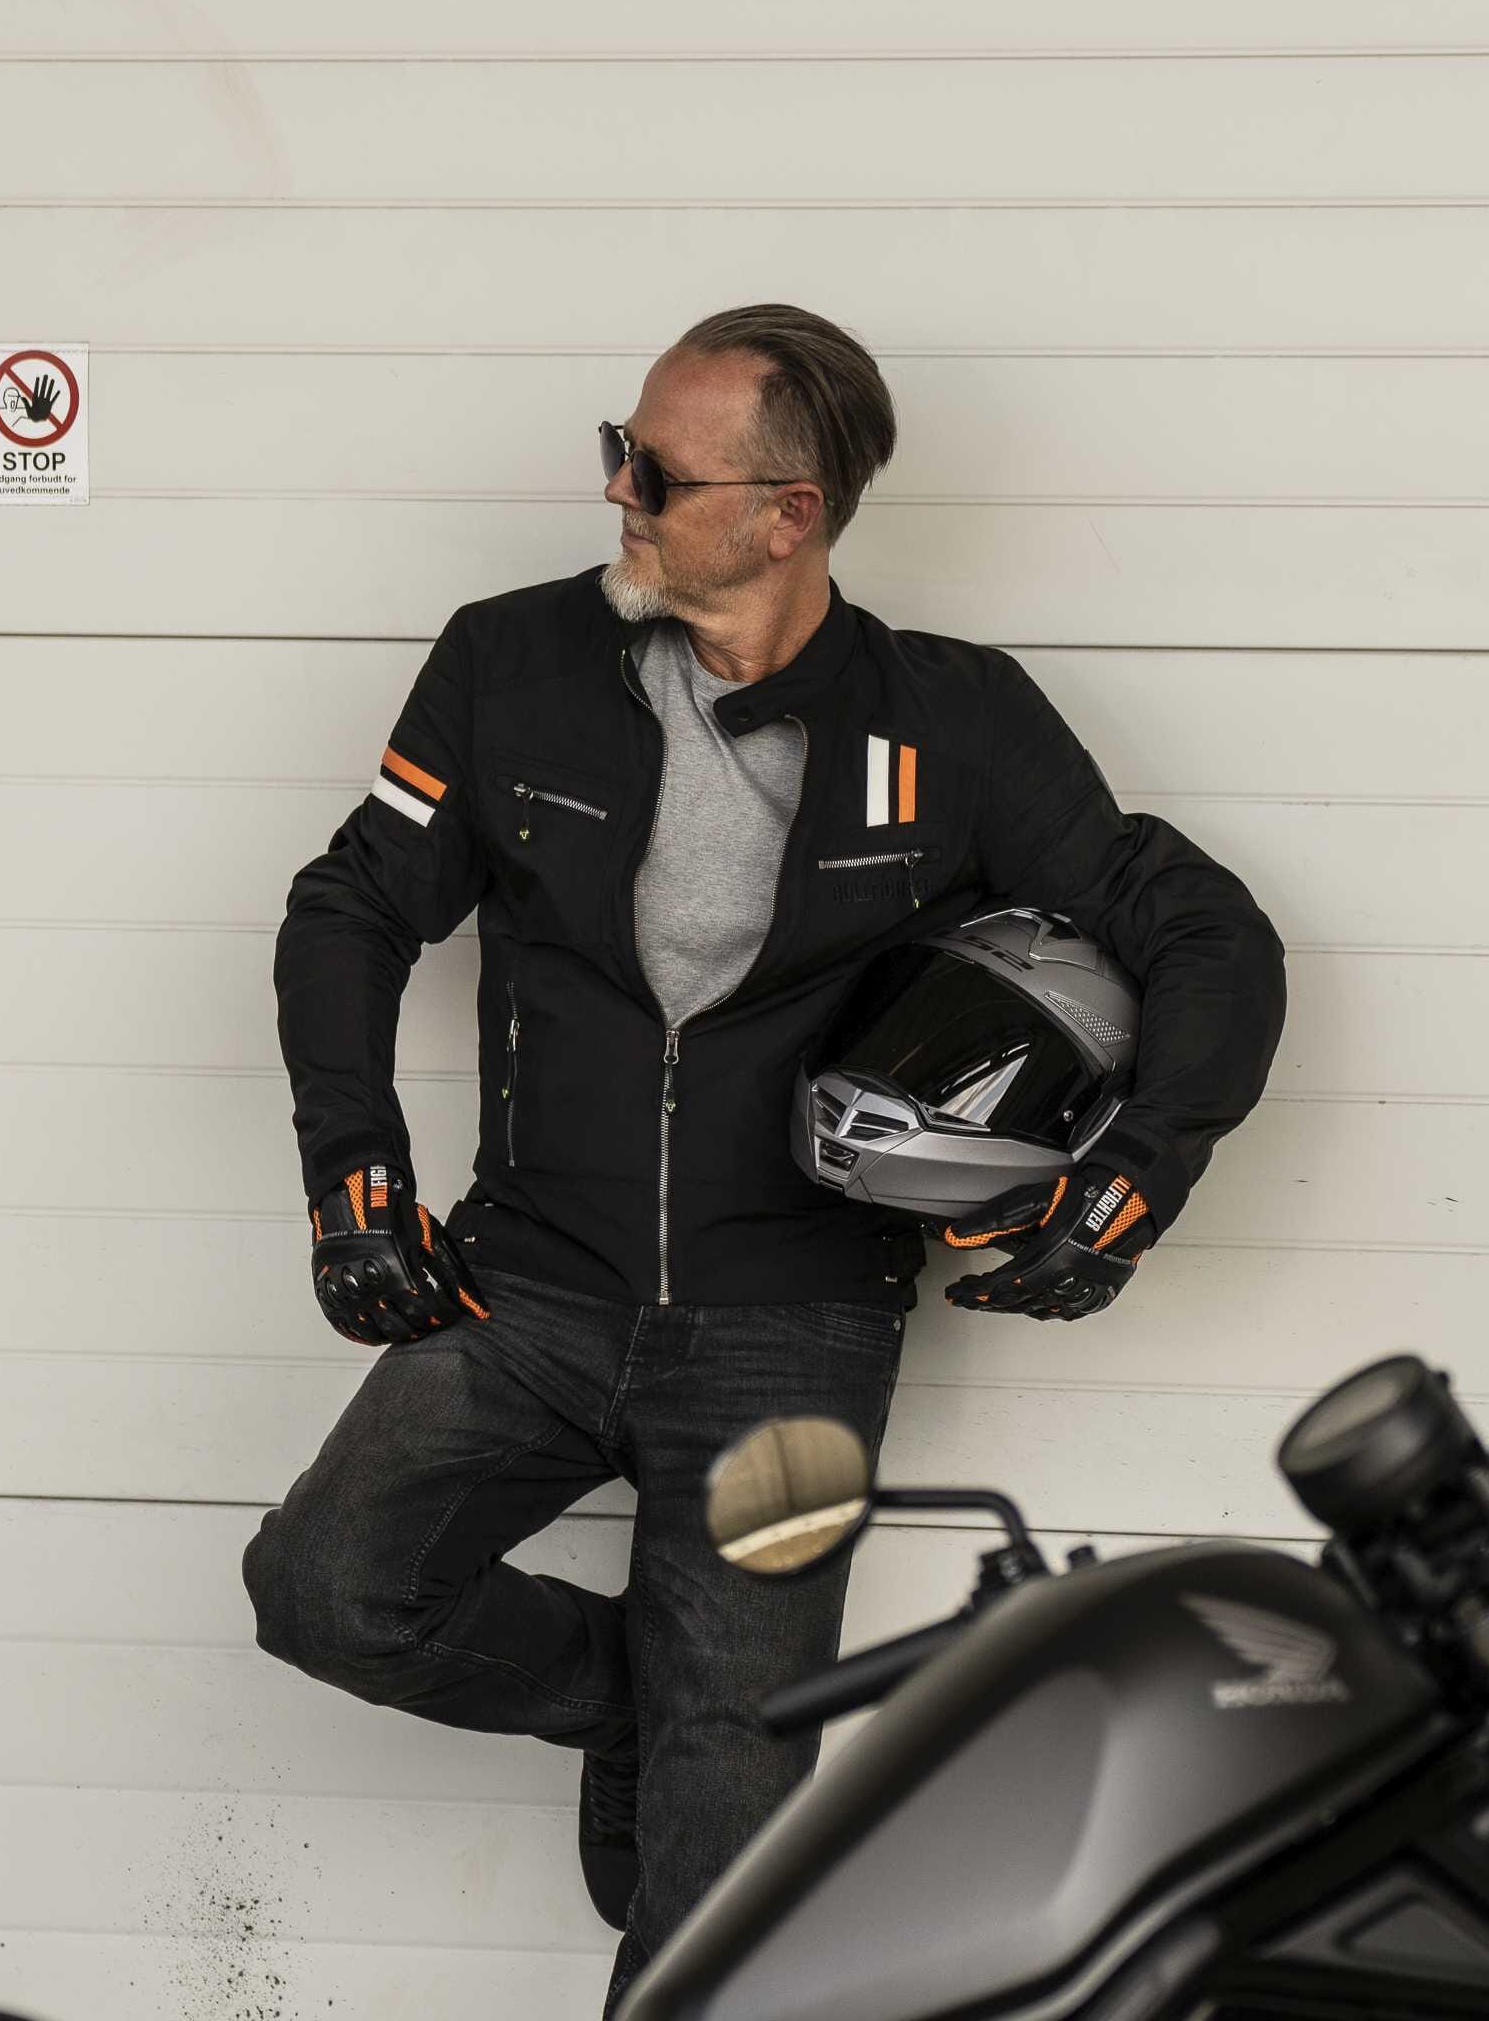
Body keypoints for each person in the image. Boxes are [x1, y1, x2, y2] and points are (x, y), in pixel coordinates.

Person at [238, 303, 1286, 2010]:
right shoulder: (510, 663)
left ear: (788, 513)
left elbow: (1206, 933)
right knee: (327, 1589)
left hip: (793, 1336)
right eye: (619, 452)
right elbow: (350, 907)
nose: (618, 493)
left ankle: (700, 1743)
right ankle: (636, 1704)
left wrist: (1140, 1177)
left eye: (656, 472)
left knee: (723, 1861)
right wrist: (350, 1173)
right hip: (526, 1286)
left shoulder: (955, 718)